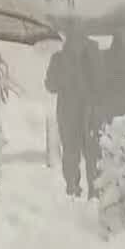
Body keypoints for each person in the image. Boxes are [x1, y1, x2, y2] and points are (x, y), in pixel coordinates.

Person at [45, 32, 100, 196]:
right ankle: (72, 189)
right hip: (68, 113)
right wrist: (65, 75)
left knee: (93, 153)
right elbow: (50, 85)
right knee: (70, 153)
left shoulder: (94, 55)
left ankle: (95, 191)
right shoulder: (59, 59)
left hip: (90, 112)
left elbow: (103, 81)